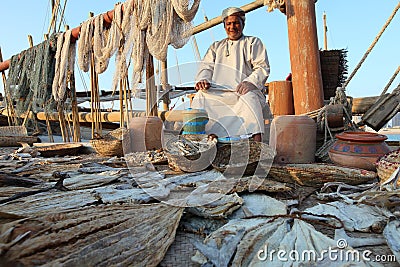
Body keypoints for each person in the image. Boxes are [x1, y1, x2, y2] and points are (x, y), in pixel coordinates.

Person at [192, 7, 271, 142]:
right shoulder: (216, 47)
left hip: (242, 91)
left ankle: (257, 144)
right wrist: (203, 80)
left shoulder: (253, 42)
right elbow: (206, 67)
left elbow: (262, 67)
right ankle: (200, 142)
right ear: (224, 26)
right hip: (219, 92)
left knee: (250, 98)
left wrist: (250, 82)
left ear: (242, 24)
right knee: (200, 97)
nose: (232, 27)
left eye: (236, 23)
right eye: (228, 24)